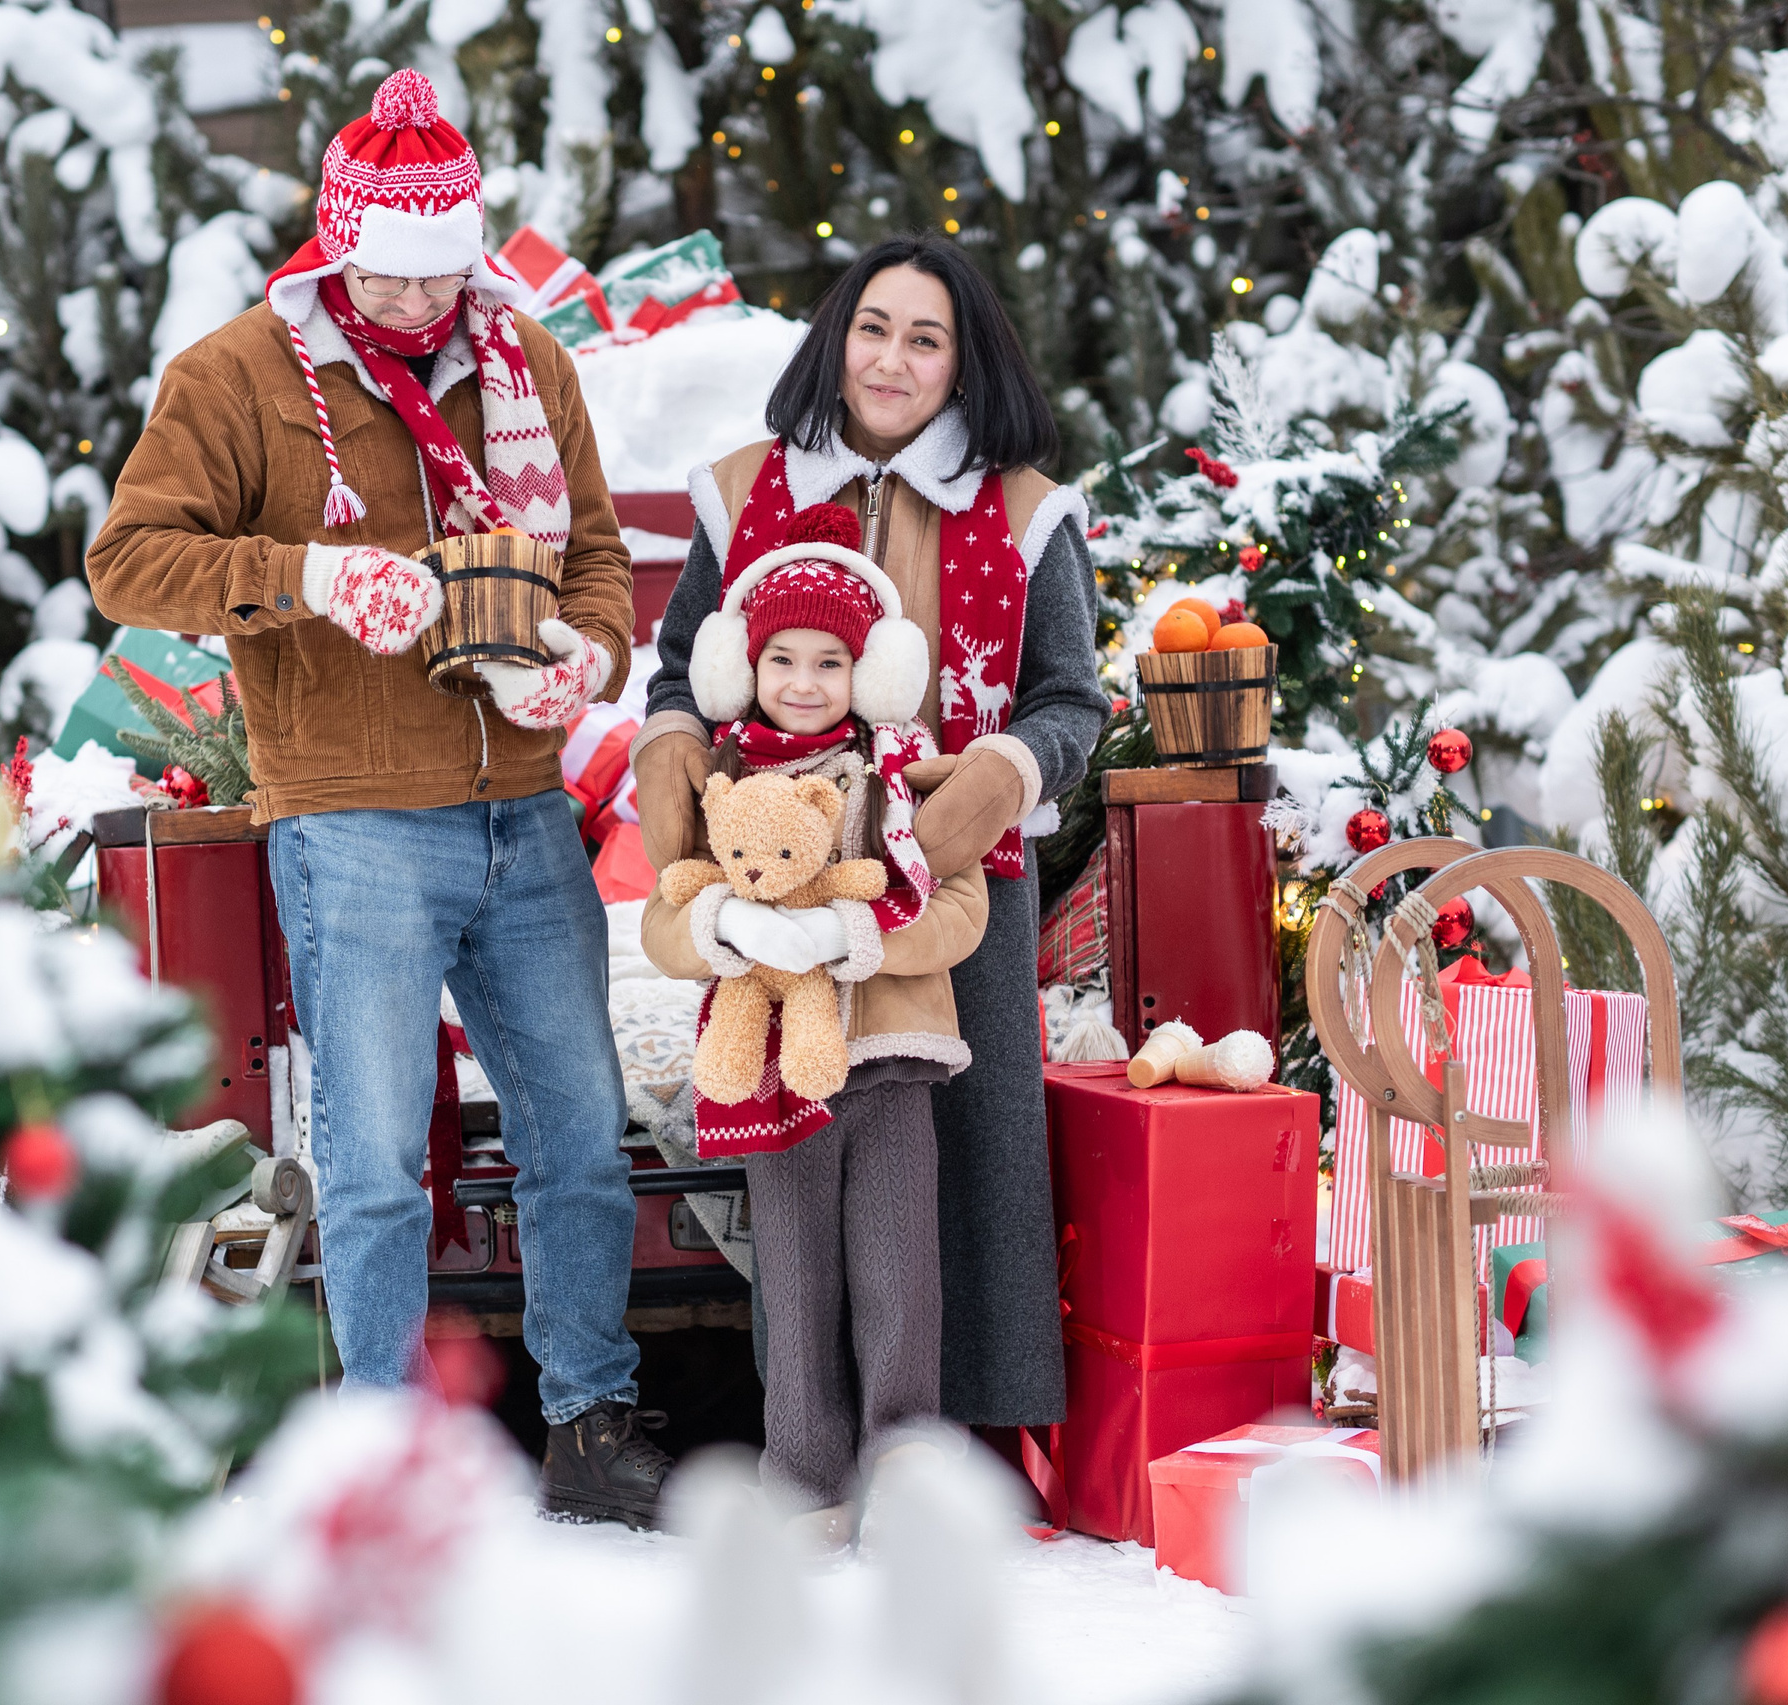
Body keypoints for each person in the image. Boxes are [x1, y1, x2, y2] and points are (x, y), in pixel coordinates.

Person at [86, 69, 672, 1528]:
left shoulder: (527, 360)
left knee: (581, 1138)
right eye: (387, 276)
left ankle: (590, 1421)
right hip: (350, 817)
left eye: (440, 274)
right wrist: (308, 575)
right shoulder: (239, 375)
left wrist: (587, 656)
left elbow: (595, 555)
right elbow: (128, 562)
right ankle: (388, 1455)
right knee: (372, 1165)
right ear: (337, 245)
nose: (415, 304)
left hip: (523, 809)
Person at [631, 236, 1112, 1430]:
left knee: (963, 1161)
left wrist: (991, 780)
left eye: (925, 339)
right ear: (837, 341)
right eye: (873, 329)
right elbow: (682, 668)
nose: (892, 360)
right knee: (796, 1159)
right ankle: (811, 1438)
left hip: (950, 884)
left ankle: (966, 1436)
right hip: (775, 878)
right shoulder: (745, 490)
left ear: (965, 362)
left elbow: (1069, 702)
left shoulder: (1025, 512)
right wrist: (673, 751)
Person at [639, 501, 987, 1548]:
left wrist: (852, 932)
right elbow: (664, 919)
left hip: (889, 1058)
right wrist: (723, 927)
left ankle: (906, 1463)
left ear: (868, 671)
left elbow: (961, 910)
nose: (803, 681)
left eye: (829, 662)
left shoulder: (904, 775)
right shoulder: (722, 780)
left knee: (898, 1271)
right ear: (743, 666)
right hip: (772, 1071)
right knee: (793, 1280)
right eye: (781, 658)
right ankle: (803, 1478)